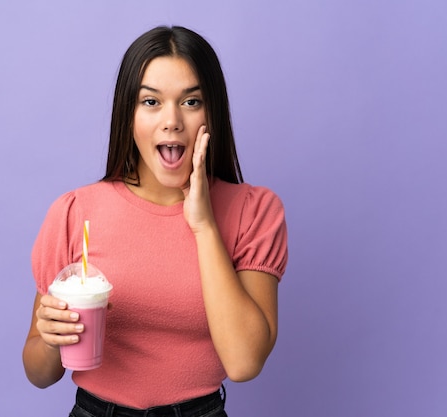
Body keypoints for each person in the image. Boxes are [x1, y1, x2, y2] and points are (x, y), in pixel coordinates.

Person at [23, 25, 288, 417]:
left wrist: (204, 226)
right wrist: (48, 340)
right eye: (151, 102)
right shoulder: (75, 212)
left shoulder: (254, 211)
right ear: (128, 114)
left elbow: (245, 362)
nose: (172, 121)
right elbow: (39, 373)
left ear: (212, 110)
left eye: (191, 101)